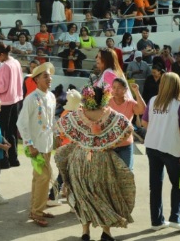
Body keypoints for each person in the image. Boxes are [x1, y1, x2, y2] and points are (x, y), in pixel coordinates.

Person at [56, 83, 135, 241]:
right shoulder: (110, 114)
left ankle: (85, 233)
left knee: (82, 196)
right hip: (102, 159)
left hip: (80, 158)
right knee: (103, 195)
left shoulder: (79, 114)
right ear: (104, 98)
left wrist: (80, 139)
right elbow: (128, 129)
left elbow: (62, 126)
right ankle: (106, 233)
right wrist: (110, 143)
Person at [142, 73, 180, 232]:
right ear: (178, 86)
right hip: (171, 149)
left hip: (152, 146)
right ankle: (175, 217)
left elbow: (144, 123)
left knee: (155, 185)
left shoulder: (152, 101)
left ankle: (156, 221)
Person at [16, 62, 57, 227]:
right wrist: (29, 144)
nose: (49, 78)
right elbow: (21, 123)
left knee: (40, 178)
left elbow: (51, 120)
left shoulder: (52, 97)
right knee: (43, 178)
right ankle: (37, 212)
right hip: (36, 146)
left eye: (49, 75)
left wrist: (56, 136)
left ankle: (36, 209)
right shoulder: (31, 98)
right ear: (37, 79)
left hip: (47, 144)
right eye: (45, 76)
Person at [108, 78, 145, 170]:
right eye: (114, 87)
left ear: (125, 90)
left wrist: (136, 92)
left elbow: (143, 110)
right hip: (110, 144)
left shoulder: (130, 103)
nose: (116, 90)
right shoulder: (107, 103)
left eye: (119, 88)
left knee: (127, 171)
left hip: (126, 144)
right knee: (111, 172)